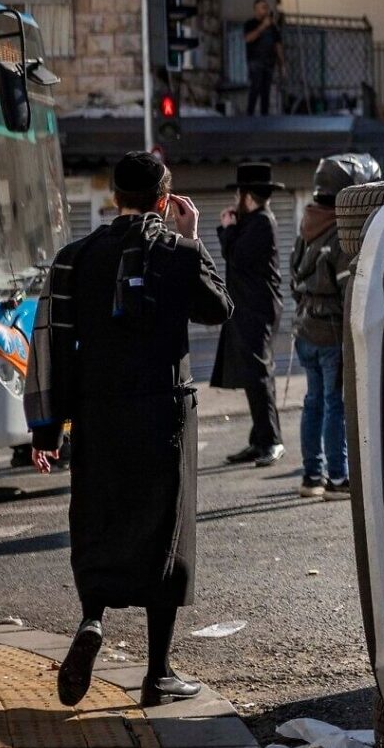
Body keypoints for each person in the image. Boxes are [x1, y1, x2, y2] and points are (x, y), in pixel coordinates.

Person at [26, 152, 231, 708]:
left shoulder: (75, 258)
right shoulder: (177, 252)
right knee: (165, 534)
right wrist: (194, 240)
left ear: (115, 197)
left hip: (98, 415)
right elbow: (219, 309)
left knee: (99, 520)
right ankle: (157, 673)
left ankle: (92, 618)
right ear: (164, 201)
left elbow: (52, 345)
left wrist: (49, 430)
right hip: (162, 413)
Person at [290, 154, 379, 499]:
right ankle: (338, 479)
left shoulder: (306, 227)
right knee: (334, 405)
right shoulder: (341, 234)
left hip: (304, 331)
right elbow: (350, 295)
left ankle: (311, 477)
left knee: (312, 401)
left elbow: (293, 279)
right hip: (330, 335)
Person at [213, 163, 285, 466]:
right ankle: (259, 440)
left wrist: (227, 228)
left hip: (257, 309)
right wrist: (230, 227)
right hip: (247, 308)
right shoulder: (252, 220)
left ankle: (271, 441)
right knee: (252, 375)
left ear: (248, 195)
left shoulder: (262, 222)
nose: (235, 200)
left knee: (258, 375)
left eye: (239, 193)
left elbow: (237, 256)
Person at [242, 0, 284, 116]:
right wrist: (262, 27)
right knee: (255, 87)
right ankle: (249, 115)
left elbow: (278, 45)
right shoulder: (250, 24)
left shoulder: (273, 27)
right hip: (255, 62)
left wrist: (282, 64)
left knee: (266, 91)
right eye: (263, 7)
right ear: (256, 10)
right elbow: (248, 39)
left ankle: (264, 117)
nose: (265, 10)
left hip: (269, 63)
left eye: (266, 7)